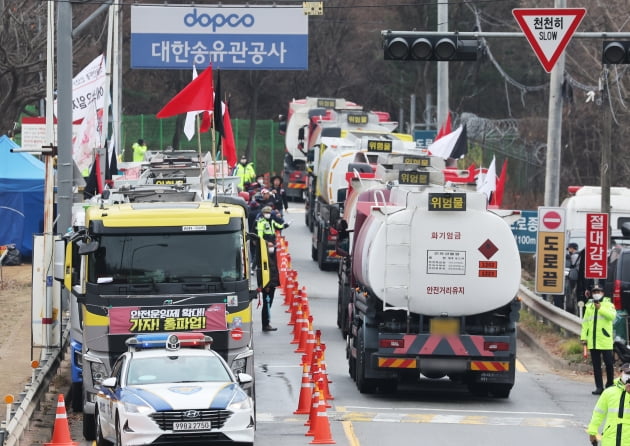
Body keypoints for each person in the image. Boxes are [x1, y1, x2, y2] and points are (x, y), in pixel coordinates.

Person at [256, 205, 289, 332]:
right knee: (267, 304)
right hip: (268, 284)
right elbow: (263, 270)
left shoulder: (273, 255)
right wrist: (266, 284)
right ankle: (266, 324)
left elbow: (279, 226)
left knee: (268, 304)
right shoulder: (263, 256)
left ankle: (267, 323)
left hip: (272, 283)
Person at [581, 285, 617, 395]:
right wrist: (584, 338)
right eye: (594, 292)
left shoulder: (609, 304)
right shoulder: (589, 306)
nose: (596, 293)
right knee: (596, 366)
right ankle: (599, 387)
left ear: (602, 293)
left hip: (605, 340)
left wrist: (600, 308)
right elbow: (585, 323)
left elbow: (612, 317)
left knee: (609, 364)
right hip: (593, 340)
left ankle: (610, 385)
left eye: (598, 291)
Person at [587, 362, 630, 446]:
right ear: (620, 373)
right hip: (610, 439)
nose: (628, 376)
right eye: (627, 373)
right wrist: (592, 431)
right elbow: (598, 413)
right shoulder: (609, 392)